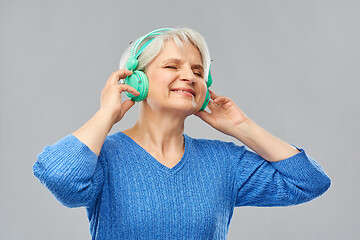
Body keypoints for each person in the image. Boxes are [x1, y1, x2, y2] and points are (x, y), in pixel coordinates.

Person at [33, 27, 331, 239]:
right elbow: (61, 180)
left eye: (198, 72)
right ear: (137, 80)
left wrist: (242, 127)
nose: (189, 76)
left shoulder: (223, 162)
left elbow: (309, 182)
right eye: (172, 65)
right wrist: (106, 115)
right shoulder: (104, 157)